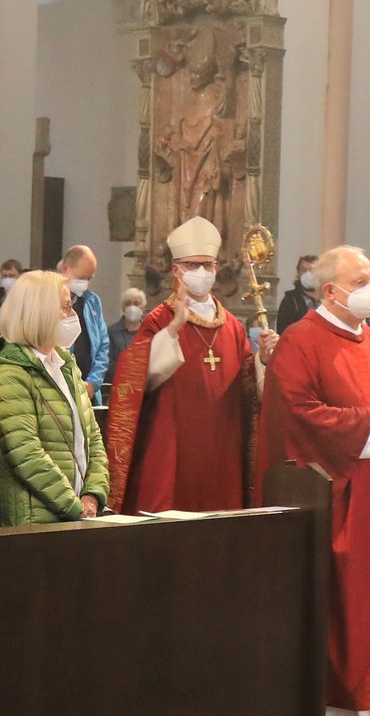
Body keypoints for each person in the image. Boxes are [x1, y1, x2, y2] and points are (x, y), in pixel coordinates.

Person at [256, 244, 370, 716]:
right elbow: (295, 415)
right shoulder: (300, 342)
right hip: (335, 497)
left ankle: (354, 712)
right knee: (339, 604)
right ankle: (322, 711)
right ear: (329, 290)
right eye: (361, 280)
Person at [104, 216, 261, 513]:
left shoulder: (233, 327)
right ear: (176, 270)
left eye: (208, 265)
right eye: (192, 265)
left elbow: (248, 389)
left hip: (222, 449)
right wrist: (173, 331)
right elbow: (133, 380)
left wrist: (264, 359)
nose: (201, 271)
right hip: (172, 448)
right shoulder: (158, 321)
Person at [0, 270, 108, 525]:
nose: (72, 315)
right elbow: (26, 452)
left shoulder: (66, 365)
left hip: (77, 513)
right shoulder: (9, 373)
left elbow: (92, 437)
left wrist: (93, 494)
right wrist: (73, 505)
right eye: (64, 307)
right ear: (38, 312)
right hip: (34, 518)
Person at [57, 245, 110, 401]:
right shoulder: (49, 300)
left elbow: (103, 345)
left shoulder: (92, 301)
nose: (85, 283)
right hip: (60, 390)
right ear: (66, 269)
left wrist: (93, 383)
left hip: (89, 391)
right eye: (82, 278)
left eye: (89, 278)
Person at [275, 255, 316, 335]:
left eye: (312, 270)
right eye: (303, 270)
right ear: (298, 273)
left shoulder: (326, 300)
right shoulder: (290, 300)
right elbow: (283, 331)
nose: (308, 274)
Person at [107, 287, 146, 361]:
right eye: (128, 304)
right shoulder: (111, 332)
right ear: (123, 307)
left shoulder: (150, 332)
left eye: (136, 304)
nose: (132, 307)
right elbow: (107, 361)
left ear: (144, 307)